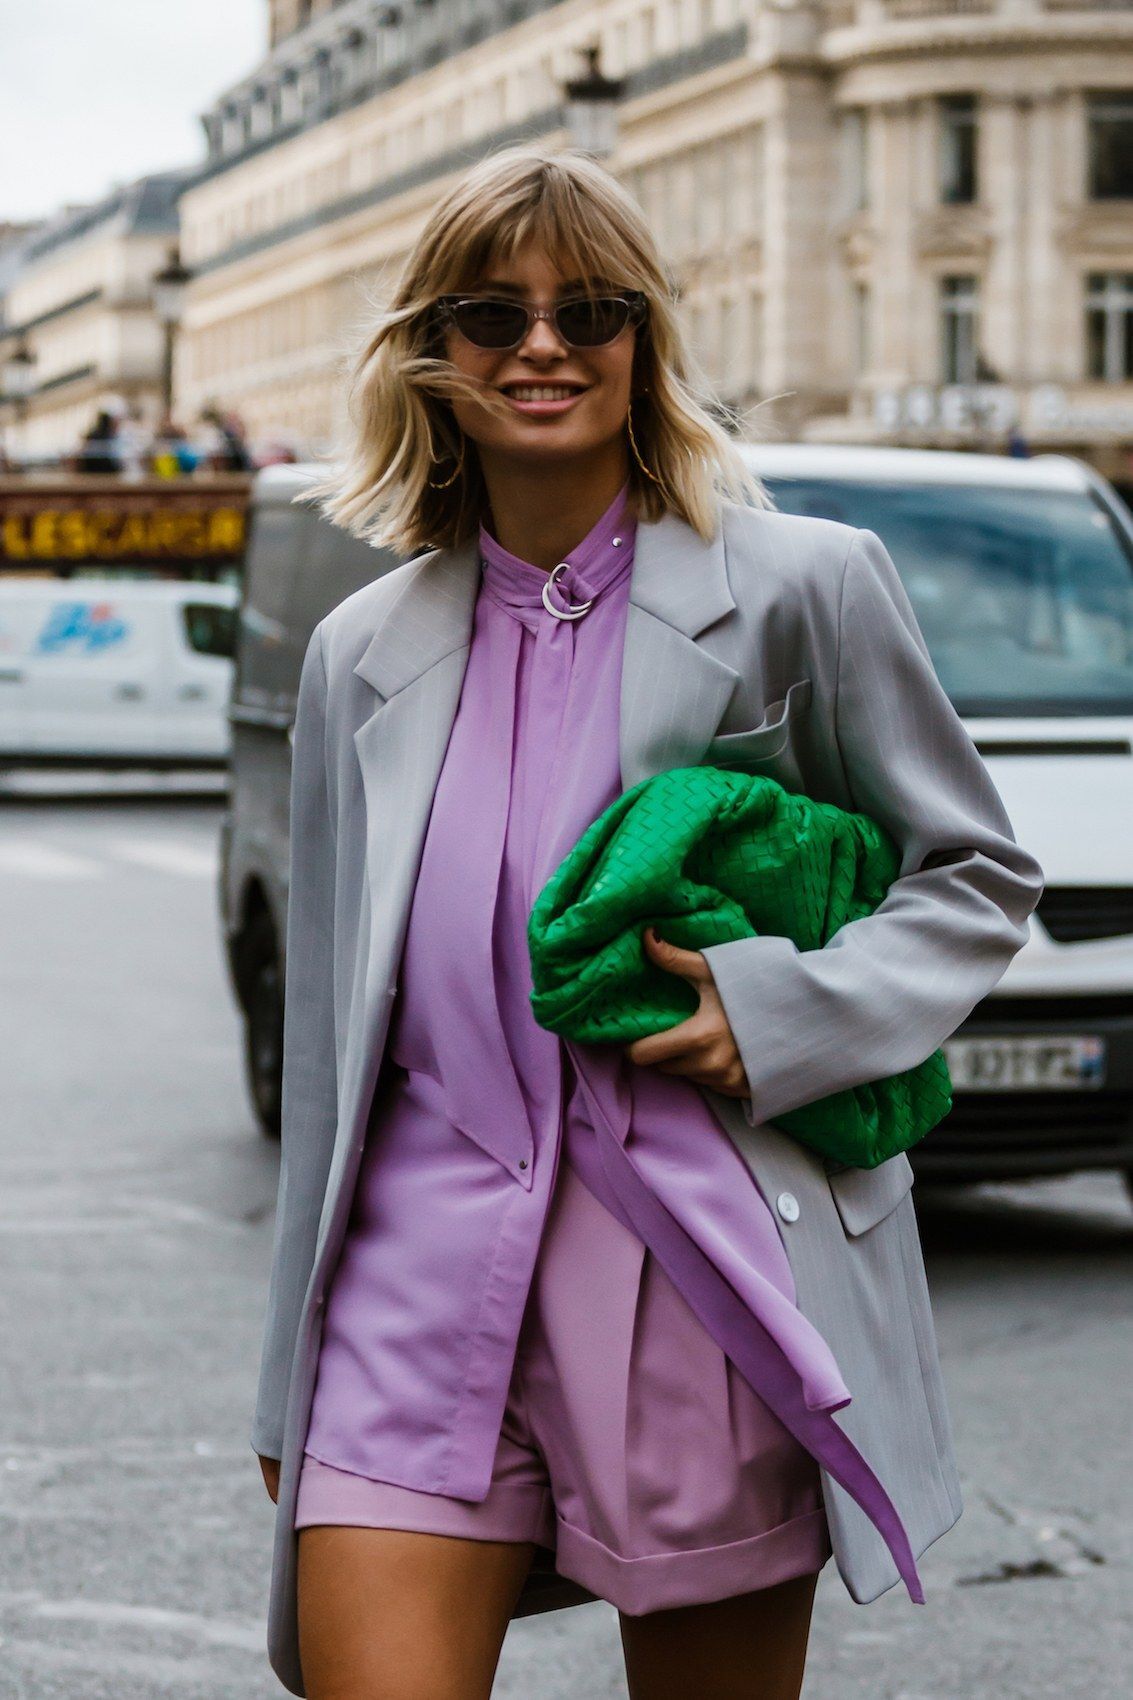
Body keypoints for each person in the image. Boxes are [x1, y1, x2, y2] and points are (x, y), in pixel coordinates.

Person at [252, 146, 1044, 1700]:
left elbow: (972, 876)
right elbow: (328, 1054)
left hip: (696, 1282)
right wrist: (288, 1380)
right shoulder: (361, 650)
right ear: (431, 345)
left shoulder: (805, 587)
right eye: (491, 312)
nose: (541, 346)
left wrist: (777, 1015)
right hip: (415, 1290)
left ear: (645, 340)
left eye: (589, 309)